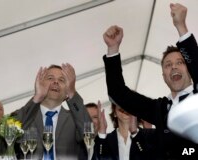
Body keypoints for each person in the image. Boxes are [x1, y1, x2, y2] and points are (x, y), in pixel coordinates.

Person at [102, 3, 198, 159]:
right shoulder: (159, 108)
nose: (173, 67)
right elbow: (118, 94)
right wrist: (113, 50)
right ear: (163, 76)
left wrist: (181, 26)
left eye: (180, 62)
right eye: (168, 65)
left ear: (189, 69)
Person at [12, 63, 90, 160]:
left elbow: (89, 133)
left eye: (61, 80)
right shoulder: (26, 114)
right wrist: (37, 97)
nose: (56, 82)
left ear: (67, 91)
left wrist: (72, 92)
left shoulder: (74, 118)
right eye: (50, 78)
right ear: (40, 83)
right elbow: (8, 133)